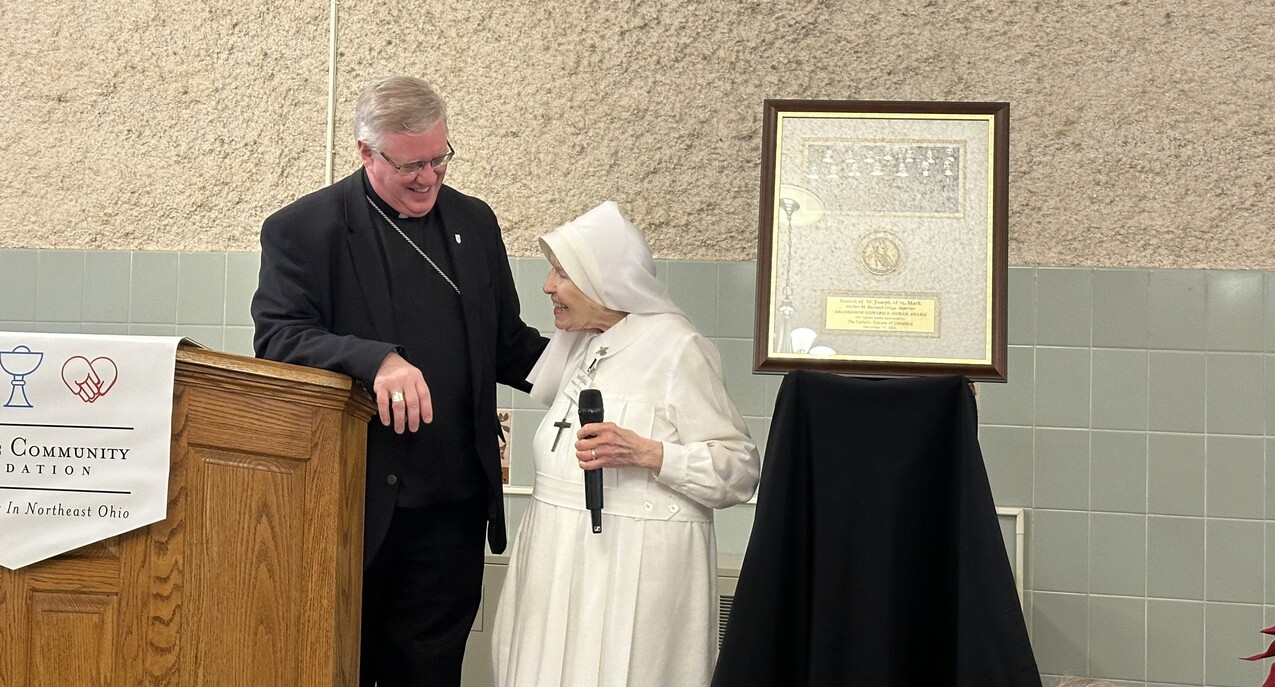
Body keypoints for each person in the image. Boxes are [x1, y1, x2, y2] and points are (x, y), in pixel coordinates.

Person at [251, 75, 547, 686]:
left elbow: (506, 344)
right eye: (411, 164)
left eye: (439, 159)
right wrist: (375, 359)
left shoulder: (474, 222)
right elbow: (277, 337)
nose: (428, 178)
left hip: (452, 515)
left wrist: (600, 364)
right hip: (349, 513)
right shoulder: (304, 230)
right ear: (366, 152)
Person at [491, 201, 761, 686]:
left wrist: (649, 454)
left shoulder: (678, 348)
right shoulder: (580, 344)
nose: (547, 285)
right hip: (555, 560)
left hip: (628, 572)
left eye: (561, 273)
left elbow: (739, 469)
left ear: (605, 280)